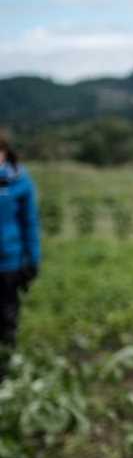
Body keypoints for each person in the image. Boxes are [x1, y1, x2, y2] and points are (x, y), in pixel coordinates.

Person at [0, 129, 40, 379]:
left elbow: (30, 223)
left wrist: (32, 261)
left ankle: (5, 372)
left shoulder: (20, 182)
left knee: (6, 317)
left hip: (9, 262)